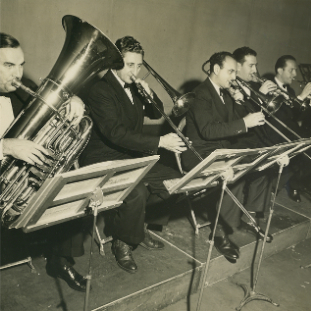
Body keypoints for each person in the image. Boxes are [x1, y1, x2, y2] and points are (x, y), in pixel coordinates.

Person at [79, 36, 186, 273]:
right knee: (137, 192)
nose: (135, 71)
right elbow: (115, 133)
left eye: (139, 65)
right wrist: (160, 141)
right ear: (115, 62)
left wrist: (149, 93)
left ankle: (139, 225)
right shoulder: (101, 89)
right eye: (130, 65)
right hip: (104, 157)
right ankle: (123, 241)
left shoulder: (134, 86)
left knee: (176, 181)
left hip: (131, 155)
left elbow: (156, 114)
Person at [0, 33, 87, 292]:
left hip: (20, 177)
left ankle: (59, 260)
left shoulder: (21, 85)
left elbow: (60, 104)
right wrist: (5, 146)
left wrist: (74, 101)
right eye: (8, 66)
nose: (17, 74)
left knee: (70, 190)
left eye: (21, 64)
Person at [181, 52, 272, 262]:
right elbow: (208, 131)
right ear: (215, 69)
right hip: (199, 154)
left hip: (219, 150)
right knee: (235, 177)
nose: (234, 76)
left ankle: (231, 221)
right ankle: (220, 232)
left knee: (251, 164)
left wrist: (240, 103)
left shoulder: (223, 93)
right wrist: (245, 123)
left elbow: (230, 124)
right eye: (230, 71)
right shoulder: (200, 94)